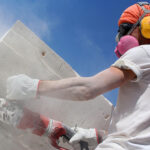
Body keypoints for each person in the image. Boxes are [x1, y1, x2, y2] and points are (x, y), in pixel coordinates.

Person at [4, 1, 150, 150]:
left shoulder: (145, 52)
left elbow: (87, 88)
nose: (122, 38)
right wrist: (96, 135)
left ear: (147, 25)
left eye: (125, 29)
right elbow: (138, 132)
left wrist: (32, 86)